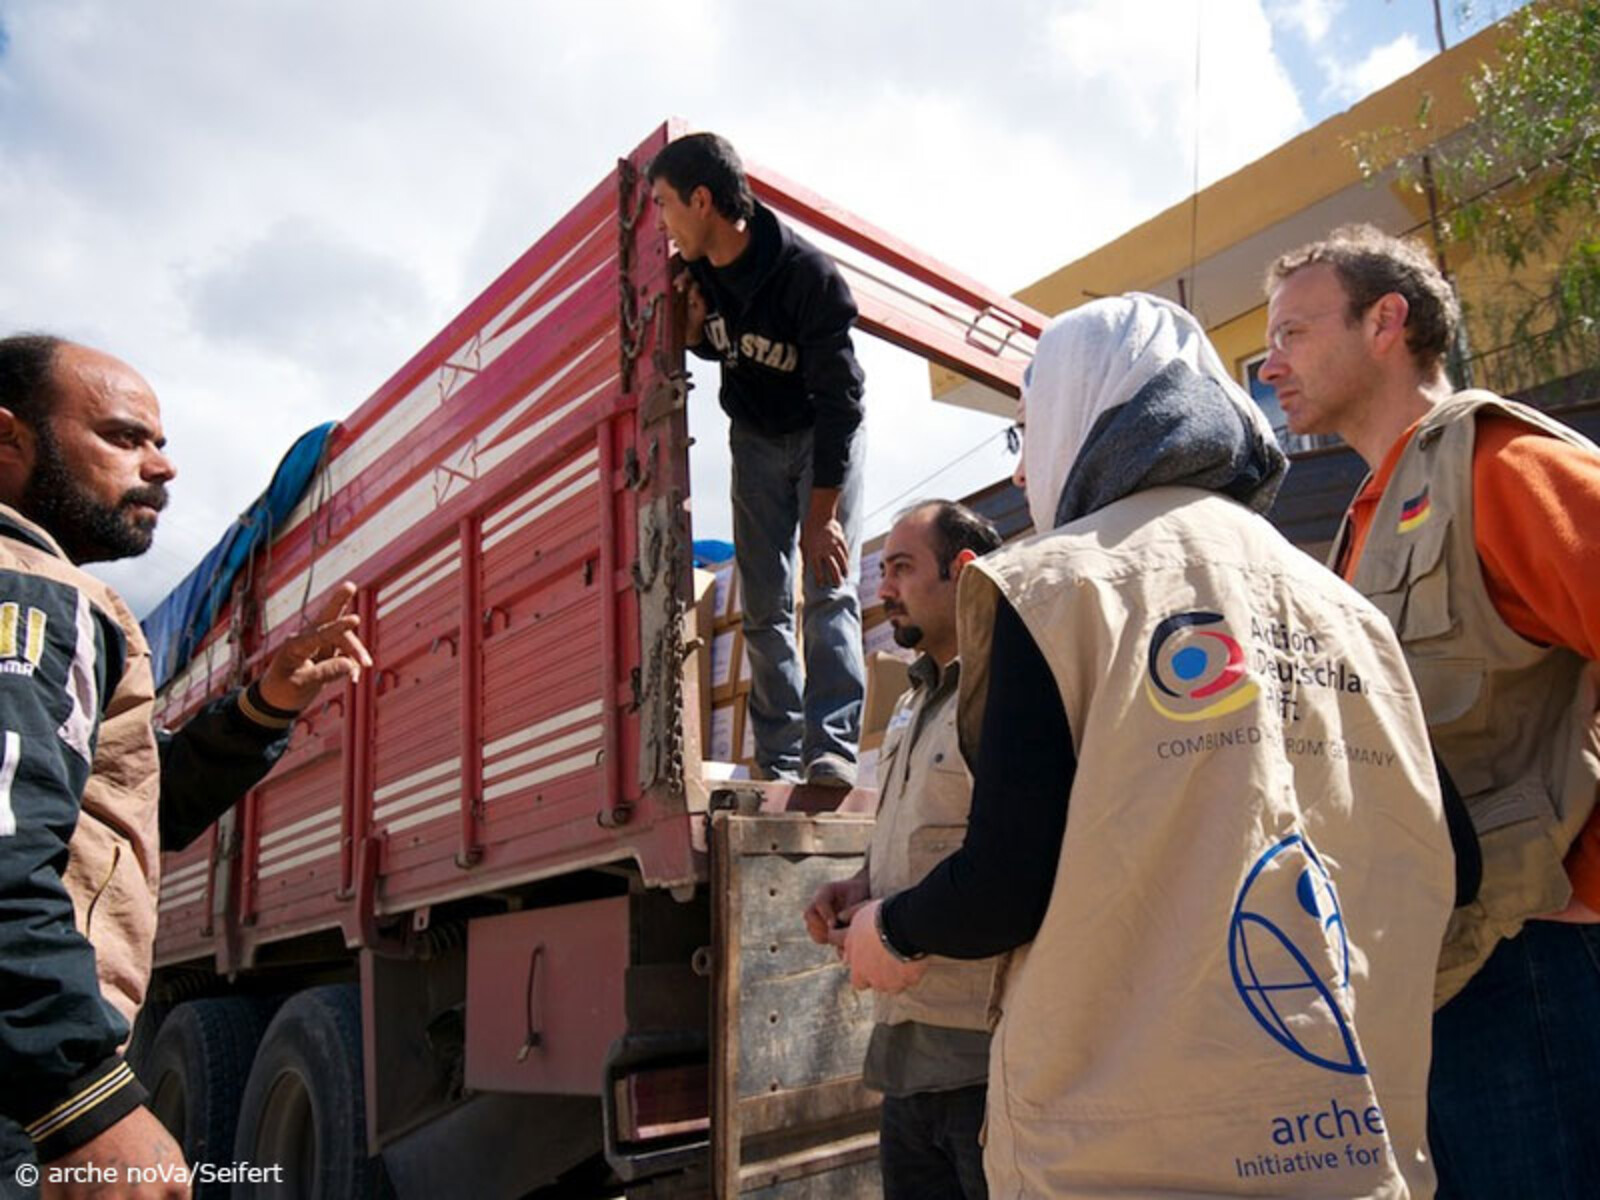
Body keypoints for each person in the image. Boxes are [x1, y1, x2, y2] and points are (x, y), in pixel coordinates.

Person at [837, 294, 1456, 1197]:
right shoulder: (1346, 606)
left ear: (1076, 416)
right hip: (1350, 1136)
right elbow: (1454, 859)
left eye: (1025, 431)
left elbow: (1009, 880)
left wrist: (888, 928)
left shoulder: (1049, 588)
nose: (1020, 474)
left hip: (1123, 1150)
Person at [1260, 224, 1600, 1197]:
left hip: (1540, 959)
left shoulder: (1495, 465)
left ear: (1386, 322)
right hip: (1443, 965)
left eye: (1290, 333)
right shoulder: (1366, 521)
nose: (1271, 365)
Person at [0, 334, 371, 1196]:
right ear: (9, 441)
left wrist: (261, 708)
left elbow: (124, 811)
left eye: (160, 443)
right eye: (126, 438)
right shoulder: (29, 592)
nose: (162, 467)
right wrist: (79, 1103)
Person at [647, 132, 867, 787]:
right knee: (766, 604)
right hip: (755, 440)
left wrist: (822, 512)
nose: (661, 222)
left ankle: (830, 754)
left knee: (828, 589)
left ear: (703, 200)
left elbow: (843, 402)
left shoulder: (808, 276)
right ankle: (779, 762)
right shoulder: (698, 271)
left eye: (665, 204)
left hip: (822, 438)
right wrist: (691, 339)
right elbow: (732, 346)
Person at [803, 500, 1002, 1200]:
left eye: (901, 567)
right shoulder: (914, 700)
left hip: (985, 1069)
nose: (882, 587)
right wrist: (859, 885)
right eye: (881, 570)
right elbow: (924, 829)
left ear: (963, 573)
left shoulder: (1005, 692)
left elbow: (1009, 858)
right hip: (904, 1063)